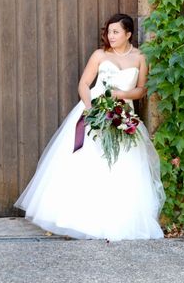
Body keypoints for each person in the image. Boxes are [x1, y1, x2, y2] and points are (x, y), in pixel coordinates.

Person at [15, 13, 165, 240]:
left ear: (128, 34)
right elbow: (84, 84)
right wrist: (90, 107)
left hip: (122, 113)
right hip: (94, 110)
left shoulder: (140, 57)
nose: (111, 36)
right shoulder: (99, 54)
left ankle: (118, 219)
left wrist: (120, 94)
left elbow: (141, 89)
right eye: (109, 32)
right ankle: (79, 218)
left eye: (116, 32)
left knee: (123, 165)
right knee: (87, 163)